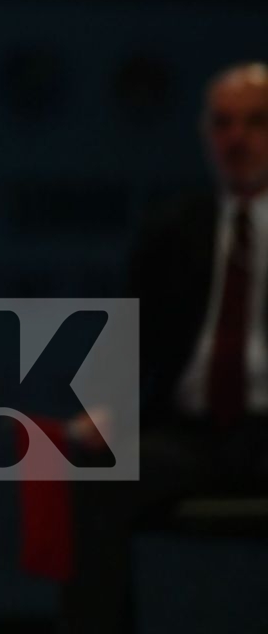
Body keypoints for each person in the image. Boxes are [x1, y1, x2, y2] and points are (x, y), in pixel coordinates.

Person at [58, 62, 268, 633]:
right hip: (195, 435)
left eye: (255, 122)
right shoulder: (175, 229)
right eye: (223, 124)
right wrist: (104, 407)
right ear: (206, 135)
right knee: (95, 479)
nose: (238, 139)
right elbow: (130, 335)